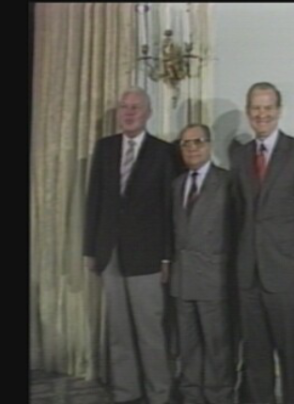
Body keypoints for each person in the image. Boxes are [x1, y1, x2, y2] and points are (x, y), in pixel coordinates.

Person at [230, 82, 294, 404]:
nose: (262, 114)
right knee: (255, 357)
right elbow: (239, 214)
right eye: (256, 108)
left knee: (291, 355)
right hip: (249, 275)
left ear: (279, 111)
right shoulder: (240, 156)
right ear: (248, 112)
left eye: (268, 107)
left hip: (287, 275)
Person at [83, 87, 175, 404]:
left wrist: (167, 258)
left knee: (150, 332)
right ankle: (126, 391)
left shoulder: (163, 152)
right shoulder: (105, 147)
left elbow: (169, 209)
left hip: (147, 258)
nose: (129, 112)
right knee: (119, 331)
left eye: (136, 107)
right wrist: (90, 249)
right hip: (109, 254)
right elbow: (94, 200)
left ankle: (159, 394)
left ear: (148, 113)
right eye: (124, 106)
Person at [170, 124, 236, 404]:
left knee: (217, 346)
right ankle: (191, 395)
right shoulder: (177, 185)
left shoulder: (227, 182)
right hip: (183, 279)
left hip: (214, 279)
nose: (192, 148)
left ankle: (219, 396)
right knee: (188, 345)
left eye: (198, 142)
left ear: (209, 145)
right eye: (185, 144)